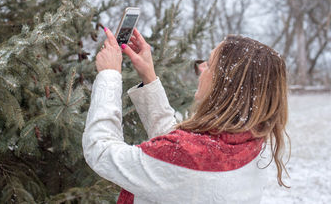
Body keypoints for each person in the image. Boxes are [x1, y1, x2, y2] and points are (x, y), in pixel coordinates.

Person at [82, 27, 289, 204]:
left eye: (208, 63)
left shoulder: (191, 159)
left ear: (225, 85)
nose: (201, 68)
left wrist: (109, 75)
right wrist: (148, 75)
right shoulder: (250, 145)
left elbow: (101, 150)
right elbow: (177, 159)